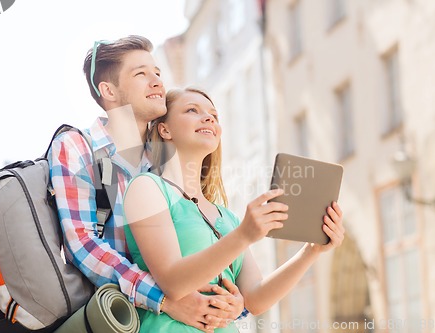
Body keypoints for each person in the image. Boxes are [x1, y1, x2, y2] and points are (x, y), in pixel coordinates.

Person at [47, 36, 244, 332]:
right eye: (141, 74)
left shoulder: (165, 156)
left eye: (157, 73)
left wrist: (234, 301)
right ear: (108, 90)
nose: (156, 81)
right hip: (114, 319)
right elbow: (83, 245)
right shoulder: (77, 147)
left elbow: (201, 235)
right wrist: (164, 299)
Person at [123, 87, 345, 332]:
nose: (208, 118)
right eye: (192, 110)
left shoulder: (226, 216)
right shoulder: (147, 188)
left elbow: (255, 299)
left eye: (214, 116)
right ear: (164, 129)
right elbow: (173, 282)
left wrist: (310, 252)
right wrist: (243, 236)